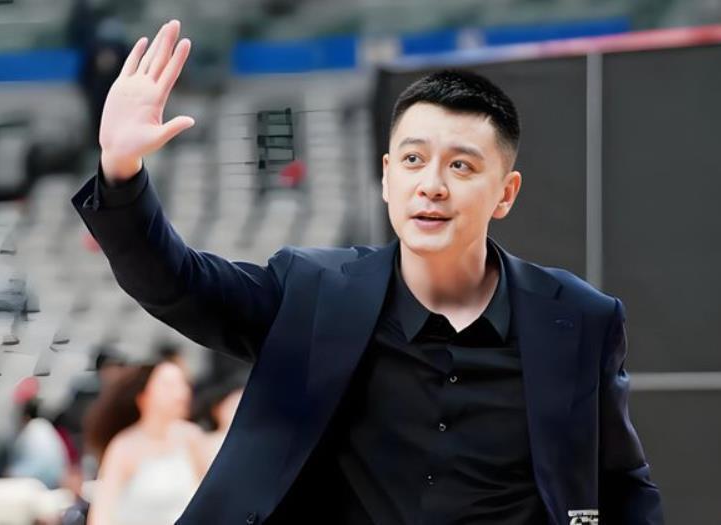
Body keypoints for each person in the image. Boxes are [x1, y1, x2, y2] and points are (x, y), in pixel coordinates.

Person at [71, 19, 663, 525]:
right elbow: (176, 283)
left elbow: (620, 481)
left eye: (461, 166)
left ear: (505, 193)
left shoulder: (578, 319)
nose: (431, 184)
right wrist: (120, 170)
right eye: (413, 159)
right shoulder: (311, 292)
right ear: (386, 176)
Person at [83, 361, 210, 525]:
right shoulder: (124, 446)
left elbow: (212, 495)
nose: (182, 393)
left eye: (184, 384)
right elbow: (102, 513)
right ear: (143, 397)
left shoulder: (192, 437)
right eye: (169, 386)